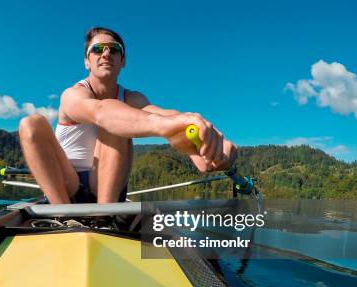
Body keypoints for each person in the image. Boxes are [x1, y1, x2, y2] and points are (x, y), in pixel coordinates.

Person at [19, 27, 237, 204]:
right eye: (98, 50)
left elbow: (166, 115)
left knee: (121, 114)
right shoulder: (73, 95)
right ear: (87, 61)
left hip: (107, 190)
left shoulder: (133, 99)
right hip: (66, 187)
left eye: (114, 49)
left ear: (122, 61)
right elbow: (101, 112)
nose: (106, 54)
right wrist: (167, 127)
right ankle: (60, 215)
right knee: (31, 124)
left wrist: (216, 145)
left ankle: (105, 218)